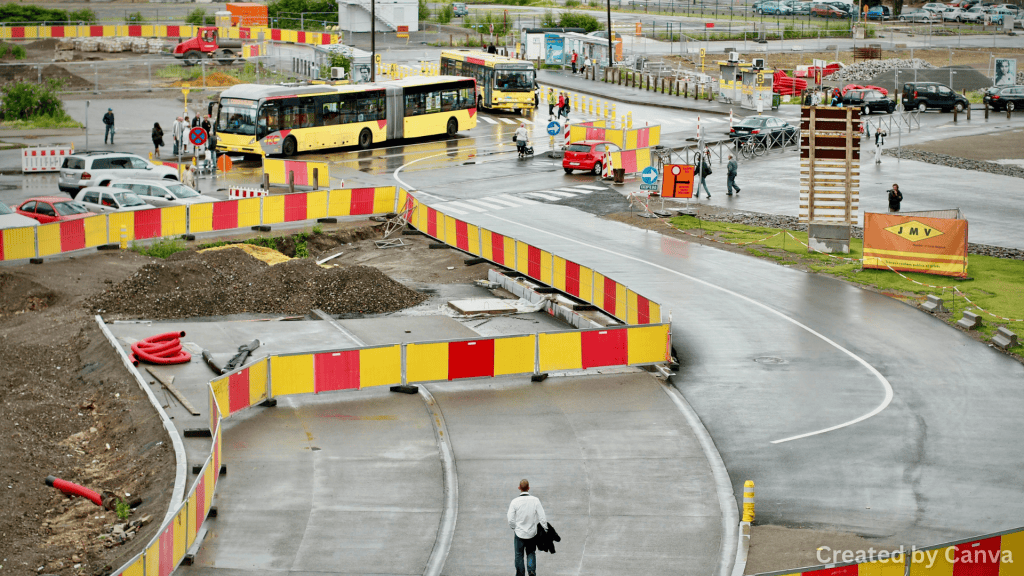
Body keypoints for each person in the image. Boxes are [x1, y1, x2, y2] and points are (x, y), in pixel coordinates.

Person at [507, 479, 547, 576]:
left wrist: (514, 528)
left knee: (519, 555)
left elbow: (510, 519)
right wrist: (545, 528)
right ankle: (531, 570)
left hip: (519, 534)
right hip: (531, 534)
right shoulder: (535, 500)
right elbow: (542, 517)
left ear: (519, 488)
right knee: (531, 553)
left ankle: (520, 573)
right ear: (528, 488)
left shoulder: (514, 502)